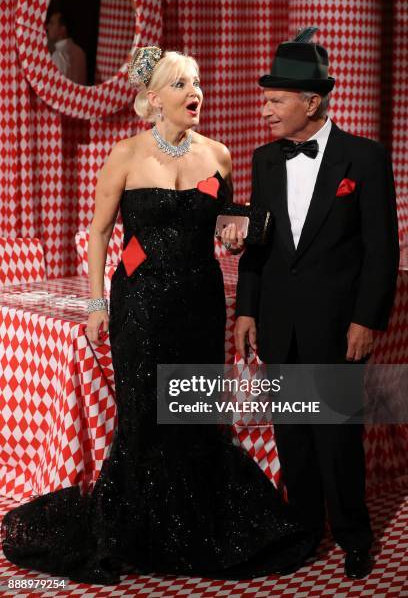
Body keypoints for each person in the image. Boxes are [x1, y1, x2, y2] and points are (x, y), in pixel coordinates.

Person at [1, 47, 316, 586]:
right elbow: (102, 233)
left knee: (192, 413)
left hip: (199, 301)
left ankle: (196, 525)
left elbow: (224, 229)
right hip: (140, 306)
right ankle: (140, 527)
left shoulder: (218, 155)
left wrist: (238, 236)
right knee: (145, 414)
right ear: (154, 99)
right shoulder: (124, 154)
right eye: (181, 84)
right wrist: (100, 302)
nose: (194, 92)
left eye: (197, 82)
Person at [226, 28, 400, 580]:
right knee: (292, 434)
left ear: (312, 101)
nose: (266, 111)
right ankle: (303, 531)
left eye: (276, 101)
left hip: (337, 325)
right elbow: (259, 244)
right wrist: (246, 311)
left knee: (337, 435)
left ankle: (352, 534)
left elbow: (381, 249)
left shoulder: (365, 160)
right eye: (266, 99)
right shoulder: (264, 159)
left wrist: (367, 319)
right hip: (279, 320)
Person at [46, 11, 87, 85]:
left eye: (52, 23)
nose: (47, 27)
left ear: (62, 29)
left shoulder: (59, 55)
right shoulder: (80, 52)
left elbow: (54, 88)